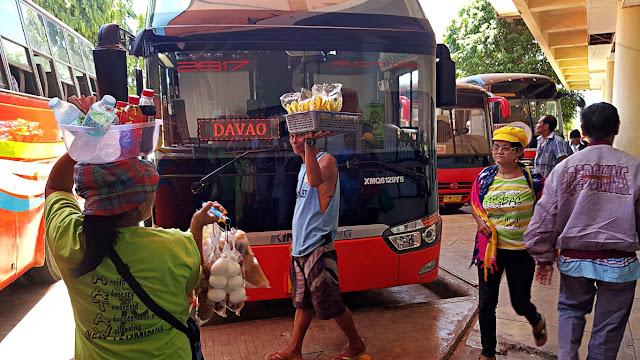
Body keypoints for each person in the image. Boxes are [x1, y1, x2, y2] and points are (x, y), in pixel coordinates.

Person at [44, 154, 226, 359]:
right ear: (140, 206)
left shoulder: (69, 239)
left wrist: (81, 146)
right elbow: (193, 287)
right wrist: (197, 225)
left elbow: (56, 187)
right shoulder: (177, 245)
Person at [524, 102, 640, 360]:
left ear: (584, 131)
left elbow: (544, 217)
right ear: (617, 128)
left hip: (574, 261)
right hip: (620, 266)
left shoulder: (564, 169)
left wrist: (543, 257)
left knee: (570, 311)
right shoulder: (635, 167)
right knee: (608, 328)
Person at [266, 131, 366, 360]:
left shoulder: (326, 161)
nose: (294, 140)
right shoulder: (303, 167)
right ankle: (294, 350)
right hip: (301, 247)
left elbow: (314, 181)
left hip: (319, 246)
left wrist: (310, 143)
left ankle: (356, 344)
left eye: (300, 136)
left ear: (312, 139)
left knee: (330, 302)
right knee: (302, 303)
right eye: (292, 136)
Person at [469, 126, 547, 360]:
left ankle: (536, 319)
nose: (499, 152)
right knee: (486, 305)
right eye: (496, 147)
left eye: (506, 148)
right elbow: (475, 204)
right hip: (490, 251)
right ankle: (488, 353)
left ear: (519, 151)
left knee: (520, 302)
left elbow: (546, 213)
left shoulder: (534, 181)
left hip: (521, 252)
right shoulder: (485, 176)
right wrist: (480, 222)